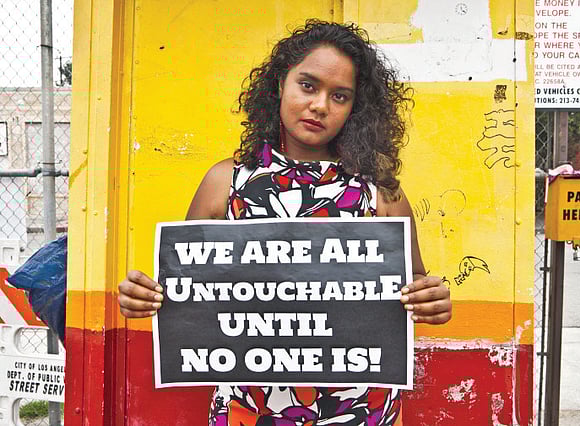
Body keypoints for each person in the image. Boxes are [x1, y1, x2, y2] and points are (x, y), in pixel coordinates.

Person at [118, 19, 452, 426]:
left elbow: (414, 285)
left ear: (355, 108)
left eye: (340, 96)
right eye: (308, 86)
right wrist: (143, 296)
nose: (320, 105)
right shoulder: (225, 183)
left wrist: (431, 300)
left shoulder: (380, 193)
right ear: (280, 84)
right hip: (250, 411)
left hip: (360, 412)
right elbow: (184, 292)